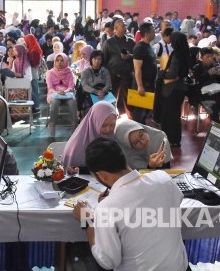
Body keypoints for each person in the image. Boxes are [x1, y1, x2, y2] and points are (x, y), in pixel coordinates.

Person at [72, 137, 189, 270]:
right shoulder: (163, 179)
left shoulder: (106, 208)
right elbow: (175, 199)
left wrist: (87, 222)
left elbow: (108, 261)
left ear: (102, 175)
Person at [62, 101, 117, 170]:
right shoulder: (78, 145)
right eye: (104, 125)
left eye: (112, 125)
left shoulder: (113, 140)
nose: (108, 130)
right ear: (94, 122)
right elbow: (72, 171)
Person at [159, 32, 191, 147]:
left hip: (172, 89)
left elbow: (172, 74)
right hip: (181, 88)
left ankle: (171, 139)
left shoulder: (176, 55)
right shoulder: (186, 53)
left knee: (170, 115)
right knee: (175, 114)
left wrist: (162, 73)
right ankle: (175, 139)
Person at [103, 19, 135, 114]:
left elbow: (137, 58)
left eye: (125, 25)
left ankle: (130, 118)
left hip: (127, 73)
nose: (126, 27)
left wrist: (129, 56)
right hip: (113, 74)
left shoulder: (131, 41)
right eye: (123, 26)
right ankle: (111, 115)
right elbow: (104, 59)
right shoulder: (108, 42)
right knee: (112, 97)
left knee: (128, 98)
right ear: (116, 28)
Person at [46, 53, 77, 136]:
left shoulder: (70, 72)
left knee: (72, 102)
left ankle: (74, 125)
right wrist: (57, 92)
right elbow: (50, 87)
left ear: (66, 61)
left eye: (62, 61)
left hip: (67, 94)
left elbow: (71, 86)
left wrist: (66, 91)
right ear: (54, 61)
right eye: (57, 60)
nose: (59, 63)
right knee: (55, 102)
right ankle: (52, 125)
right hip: (54, 93)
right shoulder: (50, 72)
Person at [132, 22, 158, 124]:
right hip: (143, 85)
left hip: (150, 84)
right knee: (139, 113)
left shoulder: (148, 46)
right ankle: (137, 132)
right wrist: (140, 86)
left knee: (145, 111)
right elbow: (137, 69)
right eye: (153, 31)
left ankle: (142, 131)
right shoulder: (140, 48)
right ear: (147, 34)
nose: (155, 33)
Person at [80, 50, 112, 116]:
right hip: (90, 93)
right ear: (91, 59)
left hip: (103, 93)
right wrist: (96, 91)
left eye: (99, 59)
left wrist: (103, 91)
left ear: (102, 60)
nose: (97, 61)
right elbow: (84, 85)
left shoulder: (105, 71)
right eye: (94, 59)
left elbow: (108, 84)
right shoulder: (86, 71)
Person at [23, 34, 43, 114]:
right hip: (31, 73)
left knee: (34, 90)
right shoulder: (32, 49)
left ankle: (35, 106)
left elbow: (34, 63)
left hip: (32, 73)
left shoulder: (33, 51)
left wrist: (27, 54)